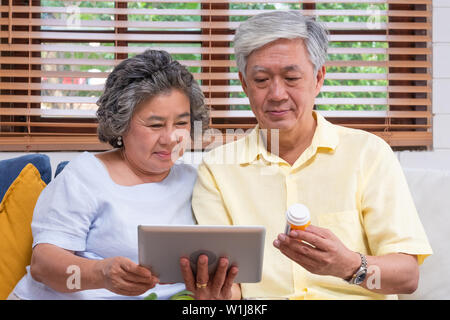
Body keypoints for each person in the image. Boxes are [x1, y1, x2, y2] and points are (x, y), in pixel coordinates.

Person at [192, 11, 433, 300]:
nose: (277, 93)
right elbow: (230, 289)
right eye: (261, 80)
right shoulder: (218, 170)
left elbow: (407, 276)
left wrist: (349, 266)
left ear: (318, 79)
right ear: (244, 85)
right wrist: (217, 296)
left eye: (291, 77)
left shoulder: (368, 153)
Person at [10, 49, 240, 300]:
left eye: (182, 124)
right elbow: (43, 266)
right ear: (122, 124)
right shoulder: (86, 175)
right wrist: (100, 274)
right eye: (155, 125)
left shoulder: (196, 181)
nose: (171, 138)